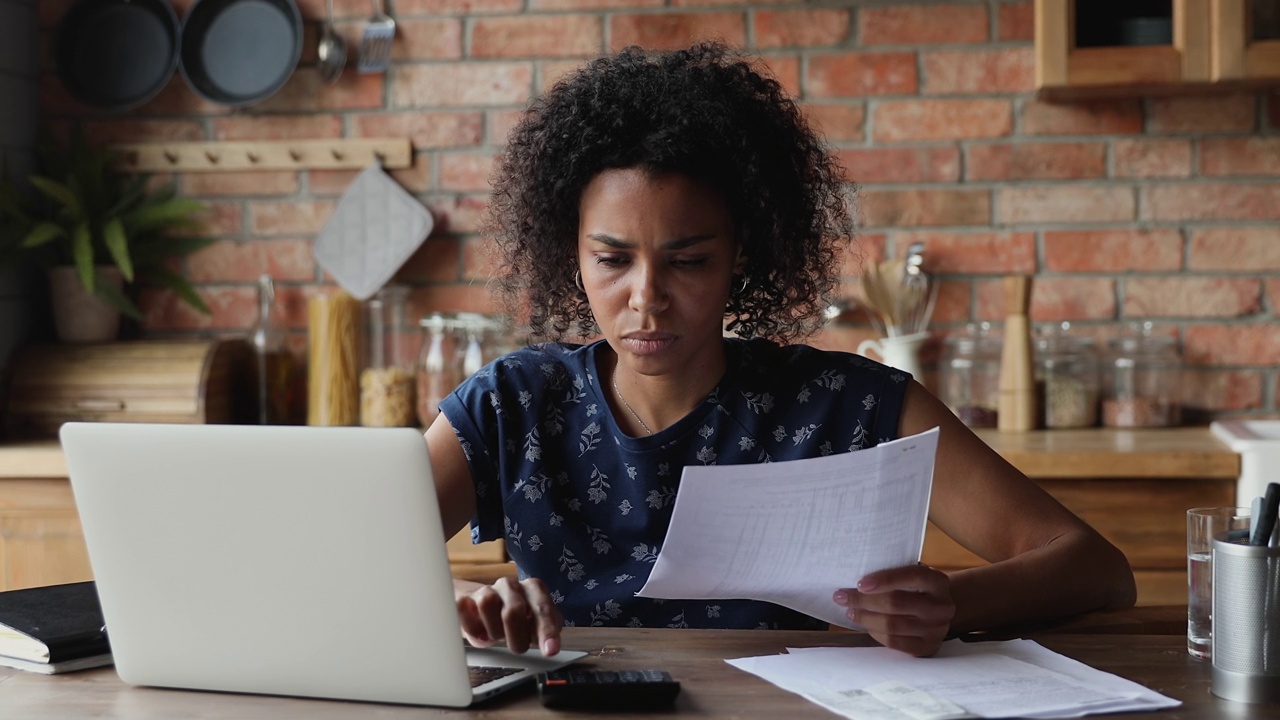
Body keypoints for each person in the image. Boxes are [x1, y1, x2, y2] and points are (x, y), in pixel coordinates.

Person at [424, 41, 1136, 659]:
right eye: (613, 260)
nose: (646, 297)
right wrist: (458, 599)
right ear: (570, 255)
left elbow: (1096, 570)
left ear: (742, 255)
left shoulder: (843, 406)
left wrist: (952, 602)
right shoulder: (511, 404)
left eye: (689, 261)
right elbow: (334, 558)